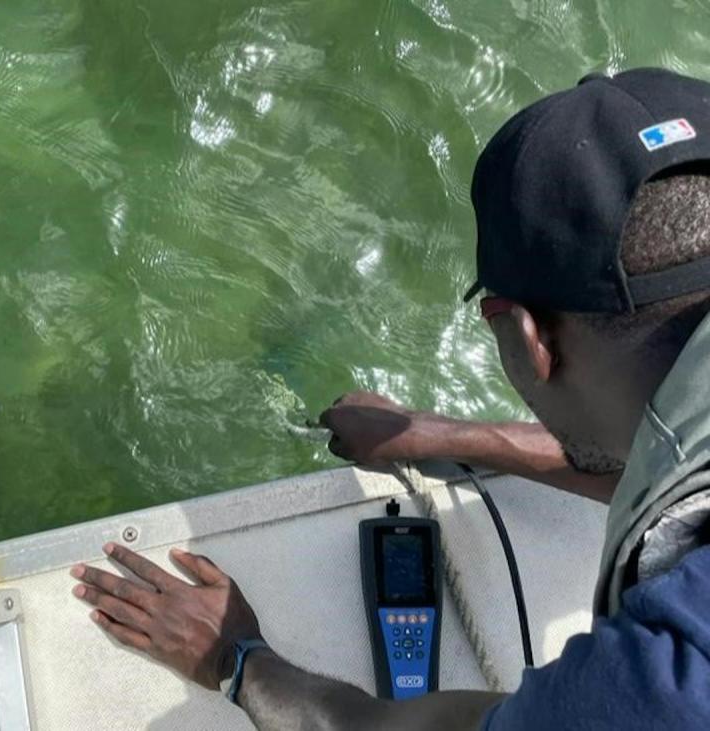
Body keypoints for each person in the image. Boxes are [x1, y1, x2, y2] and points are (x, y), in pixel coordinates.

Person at [70, 67, 710, 730]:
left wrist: (236, 658)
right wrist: (438, 436)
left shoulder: (661, 683)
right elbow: (665, 444)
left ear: (528, 333)